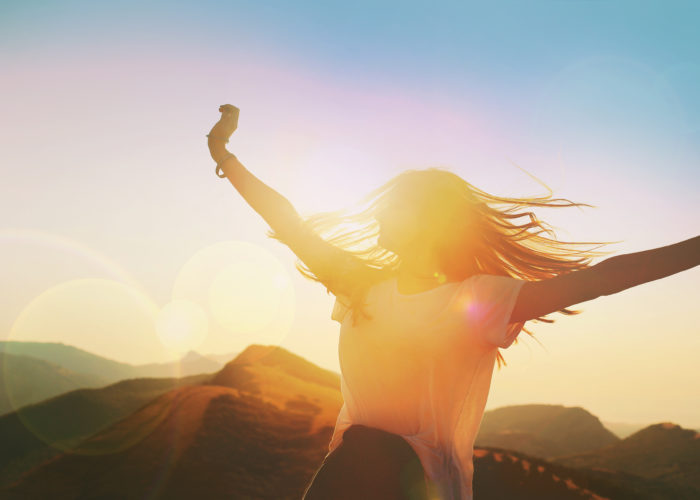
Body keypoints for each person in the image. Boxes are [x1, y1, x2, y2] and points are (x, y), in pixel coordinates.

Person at [207, 104, 700, 500]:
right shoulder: (361, 284)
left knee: (370, 452)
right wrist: (224, 155)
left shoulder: (477, 301)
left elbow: (601, 279)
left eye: (395, 206)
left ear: (428, 222)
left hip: (410, 483)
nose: (380, 213)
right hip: (349, 474)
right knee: (364, 450)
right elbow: (288, 219)